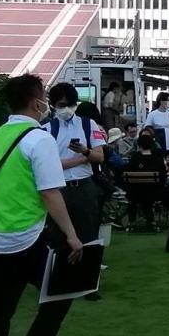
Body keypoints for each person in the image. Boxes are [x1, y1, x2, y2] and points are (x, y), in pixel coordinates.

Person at [0, 74, 84, 336]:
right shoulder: (39, 139)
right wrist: (72, 235)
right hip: (26, 237)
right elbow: (49, 192)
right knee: (61, 294)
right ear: (37, 103)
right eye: (46, 97)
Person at [44, 84, 106, 255]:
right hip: (59, 189)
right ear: (53, 105)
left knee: (88, 236)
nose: (67, 109)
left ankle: (89, 277)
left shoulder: (89, 124)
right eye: (62, 105)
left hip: (84, 186)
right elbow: (49, 165)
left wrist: (85, 151)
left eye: (70, 104)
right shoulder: (47, 130)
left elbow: (99, 156)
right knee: (58, 237)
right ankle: (59, 276)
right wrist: (81, 159)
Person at [124, 135, 169, 230]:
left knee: (139, 196)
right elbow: (163, 175)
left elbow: (128, 173)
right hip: (155, 193)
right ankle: (166, 219)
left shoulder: (135, 157)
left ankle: (132, 221)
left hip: (135, 193)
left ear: (139, 145)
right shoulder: (157, 158)